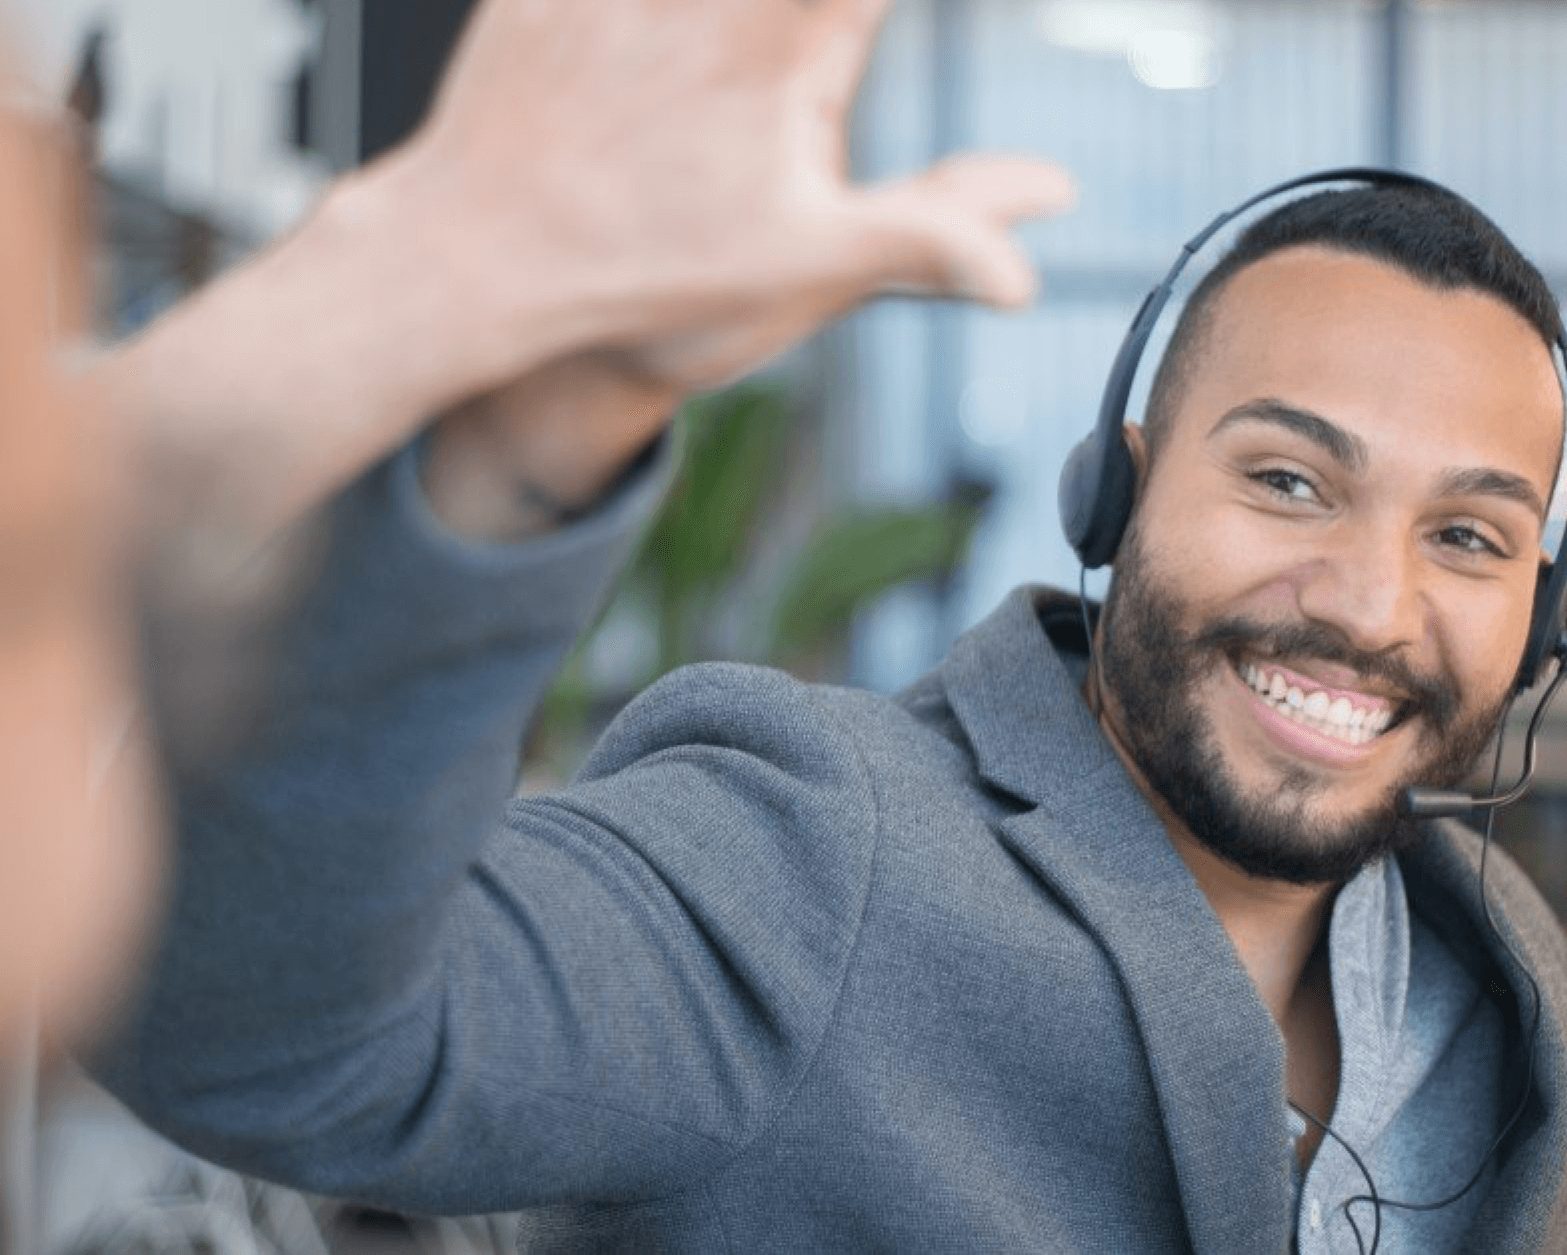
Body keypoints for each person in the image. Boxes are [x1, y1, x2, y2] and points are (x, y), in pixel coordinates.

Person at [86, 6, 1567, 1255]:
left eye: (1468, 536)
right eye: (1289, 480)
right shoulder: (814, 847)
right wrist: (523, 441)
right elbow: (258, 1038)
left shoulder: (1505, 970)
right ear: (1115, 489)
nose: (1373, 607)